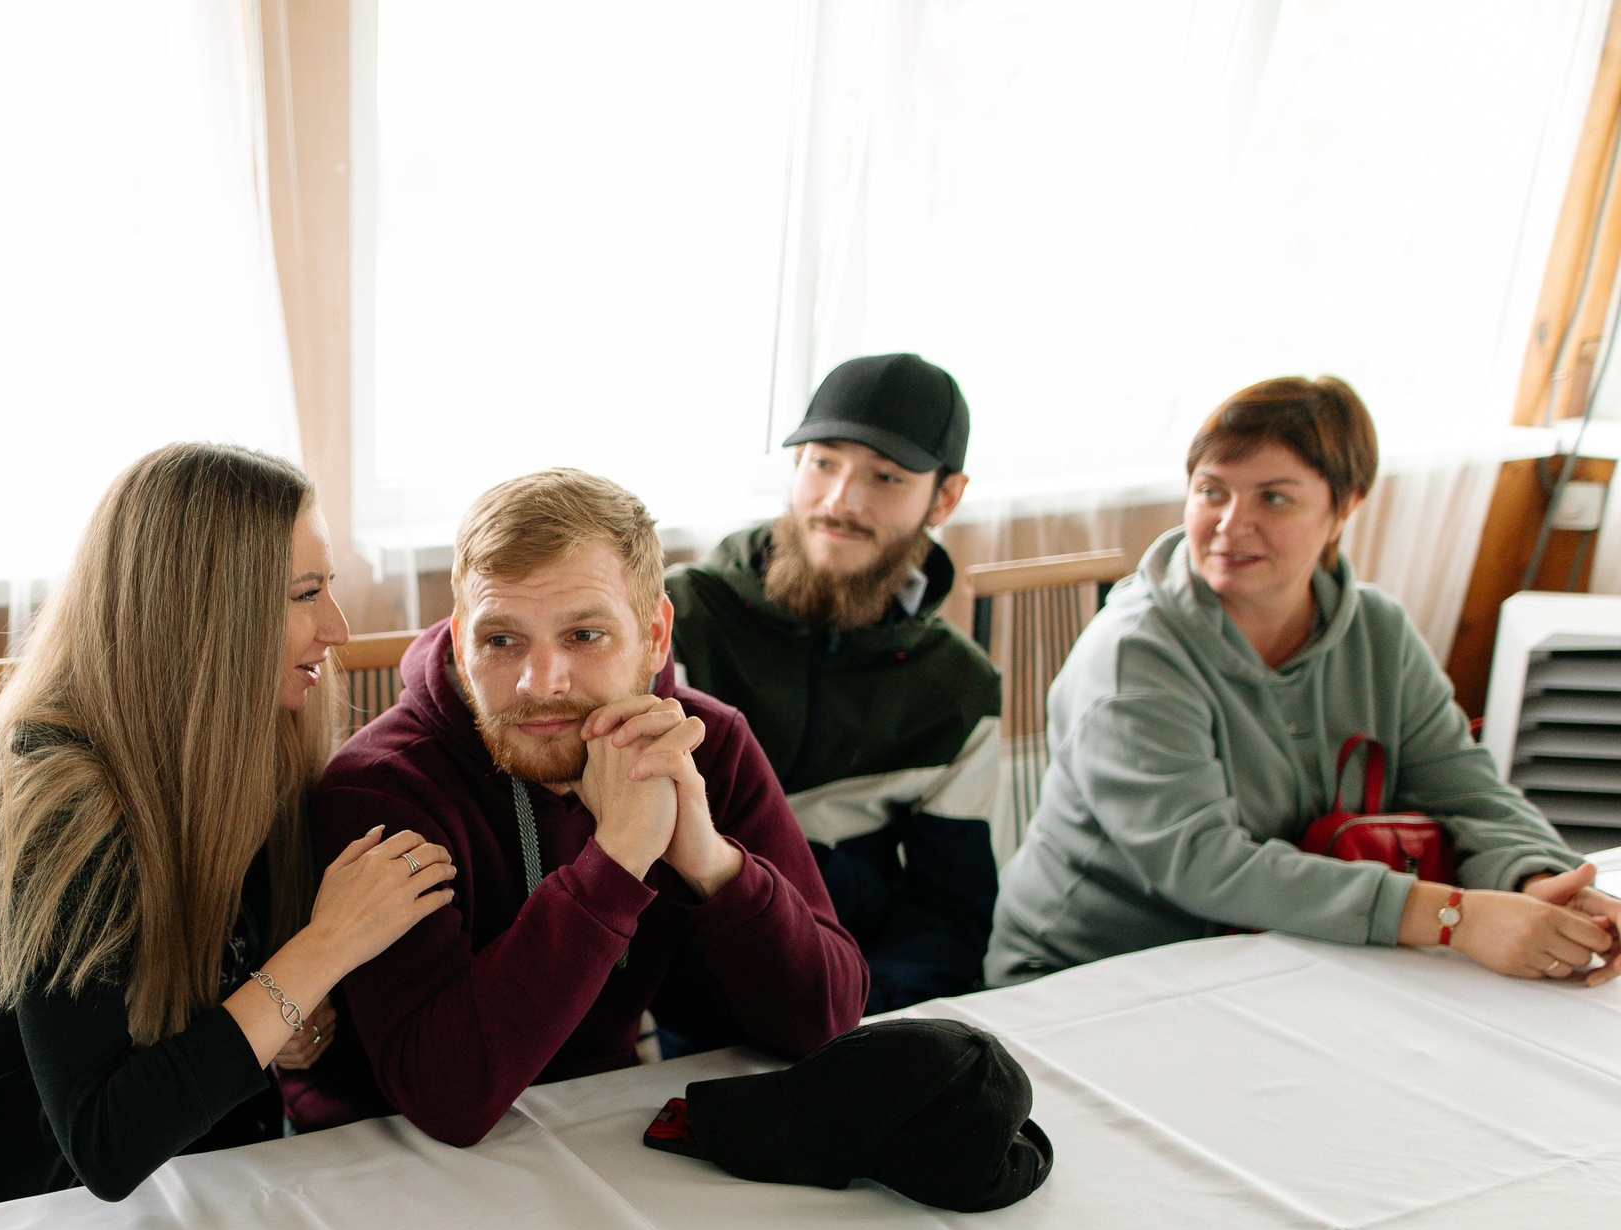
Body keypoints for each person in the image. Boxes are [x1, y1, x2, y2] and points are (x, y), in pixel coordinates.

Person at [0, 443, 456, 1217]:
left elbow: (228, 997)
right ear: (206, 609)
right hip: (19, 1213)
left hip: (201, 1190)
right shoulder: (60, 796)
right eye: (304, 594)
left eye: (328, 587)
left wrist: (281, 1014)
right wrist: (321, 951)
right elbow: (103, 1139)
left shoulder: (256, 734)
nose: (338, 626)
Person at [287, 468, 868, 1146]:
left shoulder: (703, 746)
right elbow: (446, 1099)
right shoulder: (382, 787)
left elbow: (829, 1020)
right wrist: (616, 860)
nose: (541, 683)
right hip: (372, 1166)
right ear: (458, 640)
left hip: (602, 1129)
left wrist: (711, 863)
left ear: (654, 636)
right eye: (501, 640)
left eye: (584, 635)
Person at [989, 376, 1617, 985]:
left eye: (1274, 497)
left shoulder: (1377, 629)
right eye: (1211, 491)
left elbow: (1467, 791)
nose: (1231, 524)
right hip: (1090, 973)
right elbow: (1203, 864)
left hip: (1284, 956)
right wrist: (1455, 918)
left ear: (1344, 508)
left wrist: (1548, 886)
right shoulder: (1132, 653)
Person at [669, 353, 1001, 1012]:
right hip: (689, 994)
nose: (841, 500)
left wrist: (852, 1022)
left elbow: (947, 920)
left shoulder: (959, 688)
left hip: (855, 1001)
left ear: (947, 497)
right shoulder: (679, 620)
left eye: (886, 476)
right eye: (824, 462)